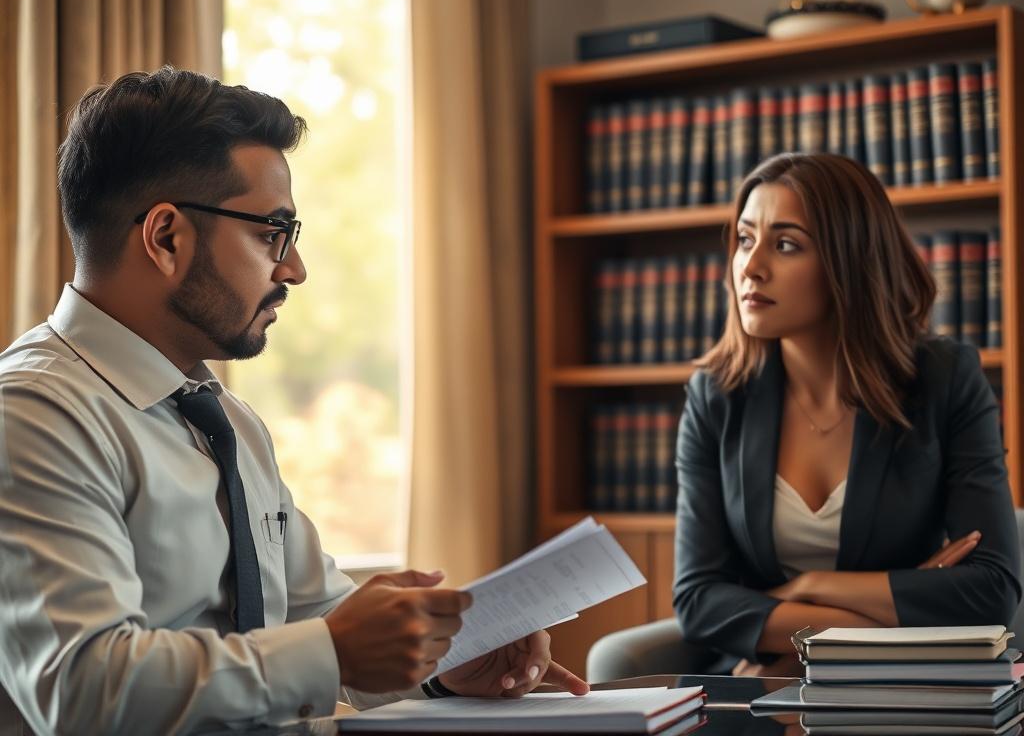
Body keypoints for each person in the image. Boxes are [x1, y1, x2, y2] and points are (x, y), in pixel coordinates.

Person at [0, 66, 588, 735]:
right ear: (166, 238)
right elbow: (83, 690)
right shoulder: (30, 418)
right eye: (270, 233)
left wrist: (442, 660)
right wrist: (334, 649)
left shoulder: (227, 421)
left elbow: (316, 615)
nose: (294, 269)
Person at [673, 152, 1021, 676]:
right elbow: (698, 600)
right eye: (745, 239)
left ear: (849, 261)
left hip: (901, 685)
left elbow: (992, 590)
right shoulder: (716, 397)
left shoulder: (944, 379)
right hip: (769, 674)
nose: (751, 266)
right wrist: (867, 627)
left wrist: (808, 589)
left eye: (785, 244)